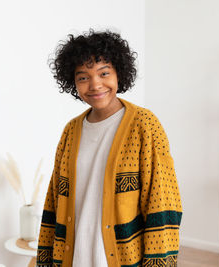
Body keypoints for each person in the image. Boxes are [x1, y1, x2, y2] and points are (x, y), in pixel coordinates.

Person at [37, 29, 182, 267]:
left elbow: (163, 203)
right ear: (73, 82)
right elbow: (53, 201)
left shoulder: (144, 125)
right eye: (83, 77)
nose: (95, 84)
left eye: (104, 73)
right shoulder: (70, 131)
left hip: (122, 258)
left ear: (119, 73)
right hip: (73, 257)